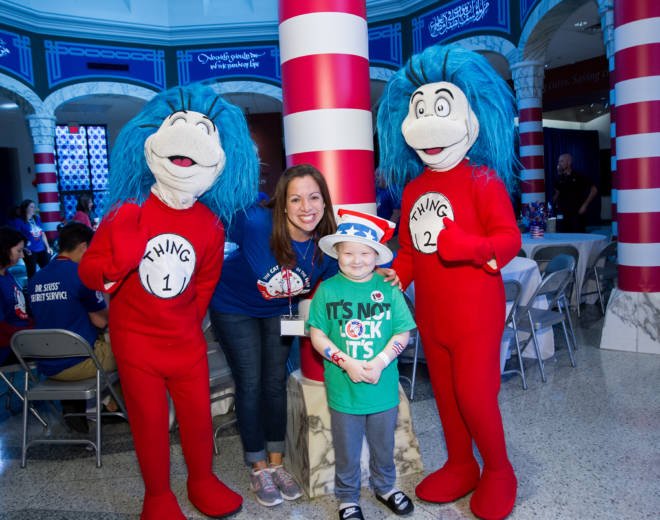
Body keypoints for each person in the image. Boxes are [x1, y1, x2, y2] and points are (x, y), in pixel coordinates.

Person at [78, 84, 259, 520]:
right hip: (136, 344)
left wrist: (186, 323)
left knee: (199, 418)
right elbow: (89, 275)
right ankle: (157, 495)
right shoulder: (126, 211)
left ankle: (202, 480)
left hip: (185, 343)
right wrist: (115, 265)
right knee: (150, 423)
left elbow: (206, 280)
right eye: (177, 126)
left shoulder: (211, 225)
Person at [377, 44, 521, 520]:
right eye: (420, 111)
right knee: (444, 394)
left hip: (476, 313)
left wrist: (468, 246)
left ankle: (498, 469)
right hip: (433, 317)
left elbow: (508, 240)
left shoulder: (483, 180)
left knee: (474, 395)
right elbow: (412, 251)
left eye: (441, 109)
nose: (430, 126)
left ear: (470, 118)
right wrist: (397, 272)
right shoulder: (415, 187)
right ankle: (462, 464)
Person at [209, 163, 338, 507]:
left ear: (325, 202)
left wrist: (388, 271)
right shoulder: (255, 223)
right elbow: (214, 212)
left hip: (280, 312)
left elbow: (359, 265)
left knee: (274, 383)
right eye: (295, 199)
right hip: (234, 307)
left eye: (314, 198)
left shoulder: (327, 246)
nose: (306, 207)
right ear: (282, 204)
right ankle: (258, 466)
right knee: (250, 382)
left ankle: (277, 463)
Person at [308, 209, 416, 520]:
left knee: (384, 443)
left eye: (365, 253)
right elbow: (317, 334)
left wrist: (381, 361)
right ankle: (347, 498)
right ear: (337, 253)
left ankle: (385, 487)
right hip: (344, 392)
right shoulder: (327, 291)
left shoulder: (390, 289)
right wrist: (346, 362)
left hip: (382, 390)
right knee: (347, 447)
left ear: (377, 256)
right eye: (349, 253)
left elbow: (402, 332)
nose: (357, 260)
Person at [27, 222, 119, 433]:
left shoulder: (35, 279)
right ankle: (114, 408)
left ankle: (74, 404)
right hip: (79, 362)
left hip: (47, 364)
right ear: (84, 247)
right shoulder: (82, 275)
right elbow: (101, 321)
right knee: (132, 352)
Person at [0, 226, 32, 366]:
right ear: (5, 249)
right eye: (19, 251)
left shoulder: (7, 274)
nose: (22, 256)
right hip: (9, 346)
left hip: (19, 337)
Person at [553, 153, 598, 233]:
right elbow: (556, 194)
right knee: (563, 235)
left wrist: (585, 205)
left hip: (576, 213)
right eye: (559, 161)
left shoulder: (579, 176)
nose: (559, 163)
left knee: (578, 235)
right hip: (562, 213)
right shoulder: (559, 178)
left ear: (569, 162)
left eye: (562, 161)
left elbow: (594, 190)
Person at [16, 199, 52, 278]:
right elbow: (17, 237)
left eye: (34, 207)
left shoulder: (37, 218)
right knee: (32, 272)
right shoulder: (19, 221)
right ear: (25, 208)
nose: (34, 209)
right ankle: (32, 289)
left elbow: (42, 233)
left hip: (41, 249)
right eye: (31, 207)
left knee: (47, 270)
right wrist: (24, 248)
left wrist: (48, 247)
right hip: (30, 250)